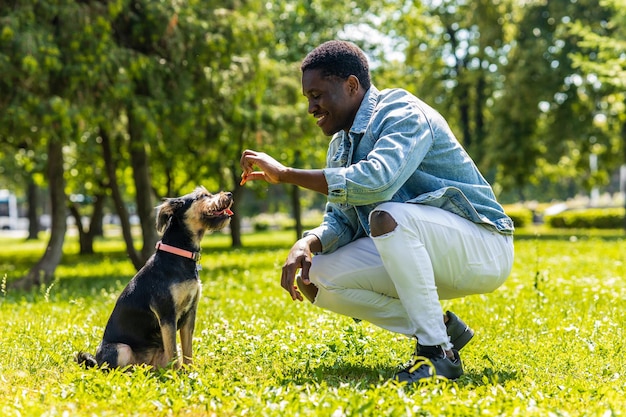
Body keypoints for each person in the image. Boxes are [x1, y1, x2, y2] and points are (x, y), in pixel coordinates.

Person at [239, 40, 514, 384]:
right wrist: (308, 242)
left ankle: (436, 353)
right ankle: (441, 330)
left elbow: (377, 181)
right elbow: (341, 219)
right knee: (317, 276)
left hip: (483, 246)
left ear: (351, 86)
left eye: (317, 95)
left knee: (386, 215)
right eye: (307, 98)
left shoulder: (402, 112)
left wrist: (287, 175)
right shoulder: (340, 145)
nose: (311, 107)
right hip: (420, 245)